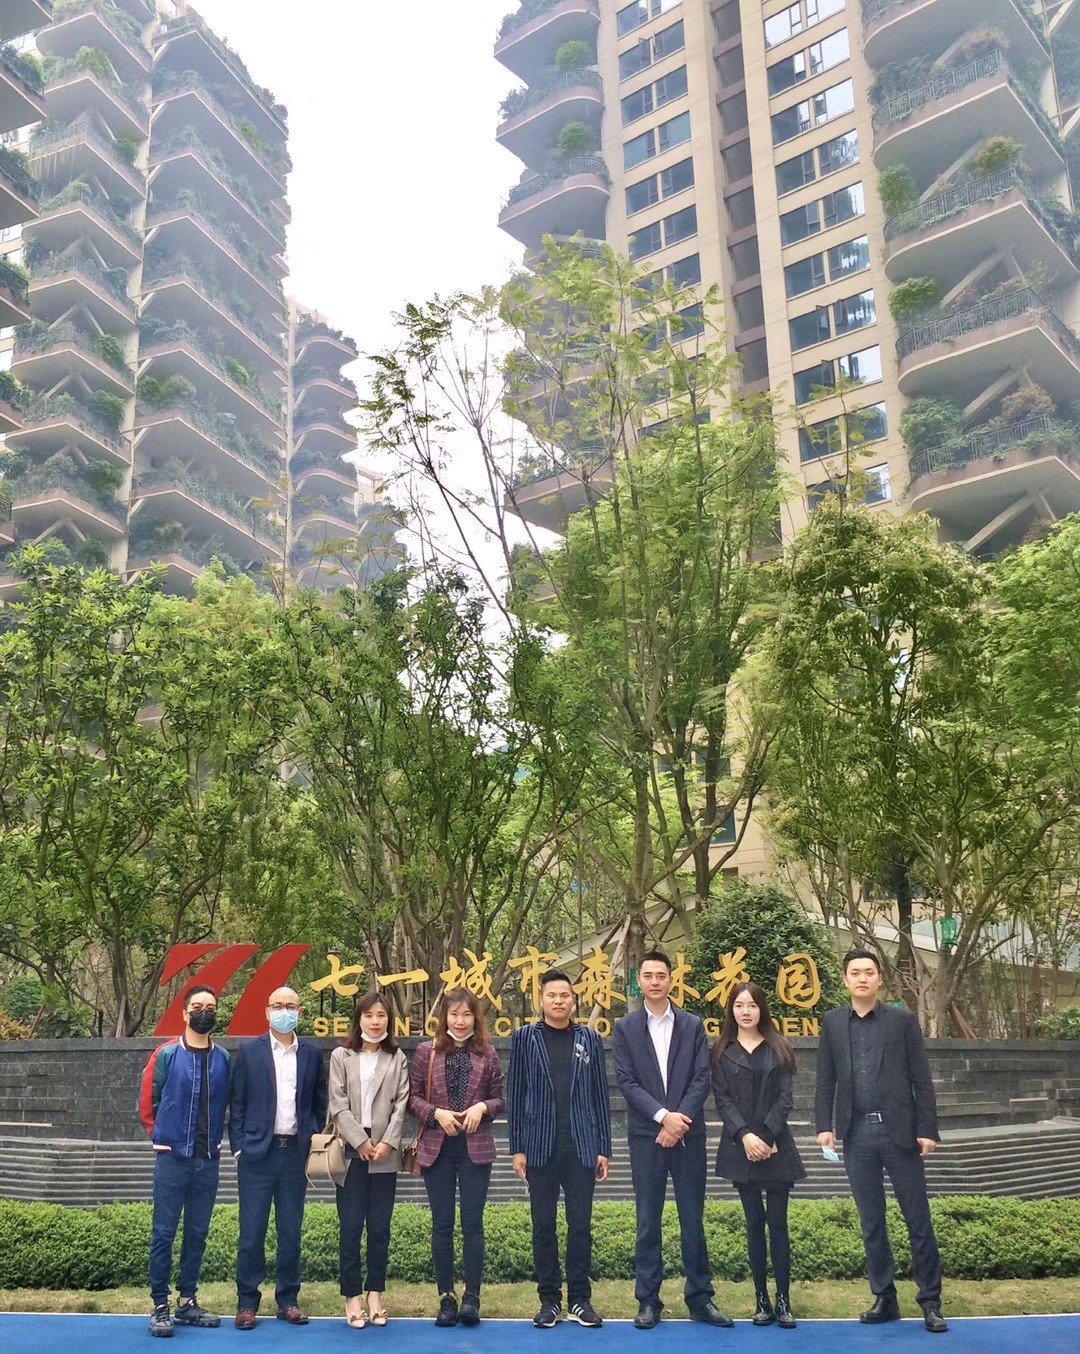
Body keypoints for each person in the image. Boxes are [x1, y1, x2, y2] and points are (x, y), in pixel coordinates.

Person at [816, 949, 947, 1334]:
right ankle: (884, 1298)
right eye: (855, 972)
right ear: (845, 980)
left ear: (879, 979)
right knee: (871, 1221)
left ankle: (930, 1302)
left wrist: (927, 1128)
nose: (862, 978)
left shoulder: (902, 1021)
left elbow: (921, 1079)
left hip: (899, 1133)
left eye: (869, 972)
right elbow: (825, 1079)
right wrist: (824, 1125)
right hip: (856, 1134)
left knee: (917, 1219)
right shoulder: (833, 1023)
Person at [613, 950, 732, 1330]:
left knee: (692, 1220)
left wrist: (679, 1121)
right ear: (639, 981)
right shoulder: (626, 1027)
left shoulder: (692, 1025)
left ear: (670, 980)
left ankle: (701, 1298)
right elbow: (627, 1081)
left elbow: (701, 1077)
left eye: (661, 975)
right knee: (648, 1221)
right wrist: (664, 1117)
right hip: (646, 1137)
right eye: (648, 975)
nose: (654, 981)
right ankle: (649, 1300)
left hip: (688, 1137)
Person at [507, 969, 611, 1329]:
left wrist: (603, 1147)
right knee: (543, 1227)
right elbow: (515, 1093)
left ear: (574, 1000)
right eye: (551, 995)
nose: (558, 1001)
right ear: (541, 1000)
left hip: (581, 1145)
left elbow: (600, 1094)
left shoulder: (589, 1038)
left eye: (564, 995)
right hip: (539, 1147)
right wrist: (517, 1148)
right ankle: (549, 1300)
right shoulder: (525, 1038)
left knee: (580, 1225)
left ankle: (580, 1300)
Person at [228, 985, 328, 1330]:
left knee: (290, 1231)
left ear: (300, 1012)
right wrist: (239, 1146)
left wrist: (312, 1134)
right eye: (278, 1005)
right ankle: (247, 1302)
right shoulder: (249, 1051)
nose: (285, 1011)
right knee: (251, 1232)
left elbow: (319, 1102)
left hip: (294, 1154)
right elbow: (237, 1102)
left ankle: (288, 1300)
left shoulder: (312, 1053)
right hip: (257, 1155)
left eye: (291, 1006)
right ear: (267, 1011)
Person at [409, 988, 506, 1327]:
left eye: (466, 1015)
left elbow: (499, 1098)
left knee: (473, 1224)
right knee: (442, 1224)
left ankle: (472, 1298)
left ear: (475, 1018)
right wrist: (435, 1114)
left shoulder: (487, 1054)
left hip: (475, 1149)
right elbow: (413, 1098)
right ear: (444, 1017)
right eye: (454, 1014)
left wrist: (483, 1107)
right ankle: (446, 1297)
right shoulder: (427, 1052)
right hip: (438, 1149)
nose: (460, 1021)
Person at [711, 981, 805, 1330]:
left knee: (778, 1224)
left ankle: (783, 1300)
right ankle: (761, 1300)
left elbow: (785, 1098)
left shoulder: (779, 1047)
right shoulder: (722, 1051)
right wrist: (746, 1136)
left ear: (761, 1009)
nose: (746, 1011)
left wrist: (766, 1136)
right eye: (739, 1005)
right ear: (731, 1010)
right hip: (741, 1149)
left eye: (751, 1005)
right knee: (754, 1224)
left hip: (776, 1147)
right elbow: (722, 1100)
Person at [139, 984, 230, 1339]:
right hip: (172, 1159)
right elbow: (148, 1101)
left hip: (208, 1160)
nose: (204, 1013)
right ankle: (160, 1305)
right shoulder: (166, 1054)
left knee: (197, 1232)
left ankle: (187, 1300)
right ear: (185, 1013)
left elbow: (227, 1103)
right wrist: (162, 1137)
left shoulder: (223, 1058)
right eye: (197, 1007)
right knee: (164, 1232)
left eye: (210, 1007)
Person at [328, 991, 410, 1328]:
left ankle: (375, 1293)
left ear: (389, 1020)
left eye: (381, 1015)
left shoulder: (397, 1057)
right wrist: (359, 1141)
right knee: (350, 1227)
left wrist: (388, 1142)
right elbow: (337, 1103)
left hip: (385, 1153)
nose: (375, 1022)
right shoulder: (341, 1055)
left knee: (379, 1228)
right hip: (351, 1150)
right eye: (368, 1015)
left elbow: (402, 1104)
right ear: (358, 1019)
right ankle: (352, 1297)